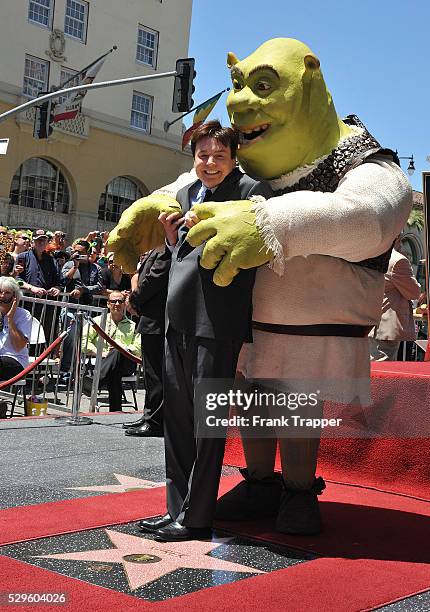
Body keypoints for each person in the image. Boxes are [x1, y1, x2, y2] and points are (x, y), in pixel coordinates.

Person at [108, 39, 413, 537]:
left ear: (309, 78)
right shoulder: (246, 158)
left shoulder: (360, 157)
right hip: (239, 313)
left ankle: (297, 489)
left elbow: (373, 215)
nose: (241, 100)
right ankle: (259, 482)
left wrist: (270, 224)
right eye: (238, 85)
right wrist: (146, 208)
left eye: (263, 85)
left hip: (311, 322)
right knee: (251, 398)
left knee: (295, 400)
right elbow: (194, 184)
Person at [138, 121, 273, 542]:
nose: (209, 163)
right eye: (202, 155)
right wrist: (171, 236)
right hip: (175, 317)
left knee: (206, 425)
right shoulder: (183, 195)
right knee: (176, 421)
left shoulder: (253, 193)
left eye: (218, 156)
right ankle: (175, 509)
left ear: (233, 157)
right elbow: (180, 255)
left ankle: (197, 518)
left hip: (218, 323)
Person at [124, 248, 170, 437]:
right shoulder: (156, 249)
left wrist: (134, 299)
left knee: (156, 375)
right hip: (150, 319)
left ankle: (156, 421)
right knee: (150, 375)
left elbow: (154, 279)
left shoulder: (165, 249)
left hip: (157, 320)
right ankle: (149, 416)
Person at [83, 290, 141, 412]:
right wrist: (99, 352)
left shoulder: (132, 325)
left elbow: (139, 347)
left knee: (118, 350)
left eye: (120, 301)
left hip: (127, 362)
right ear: (108, 304)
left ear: (125, 304)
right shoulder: (98, 321)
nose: (117, 304)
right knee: (114, 372)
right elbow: (83, 341)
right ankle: (115, 411)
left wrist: (123, 349)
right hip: (103, 361)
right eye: (113, 301)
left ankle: (95, 381)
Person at [369, 238, 421, 361]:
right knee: (384, 368)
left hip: (370, 322)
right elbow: (413, 292)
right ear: (397, 239)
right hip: (386, 327)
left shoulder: (370, 256)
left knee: (372, 367)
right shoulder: (398, 260)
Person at [59, 240, 103, 377]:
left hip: (88, 309)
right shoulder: (69, 264)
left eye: (81, 252)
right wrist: (75, 267)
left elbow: (99, 287)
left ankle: (81, 373)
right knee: (70, 339)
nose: (77, 254)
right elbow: (63, 280)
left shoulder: (96, 268)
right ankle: (65, 372)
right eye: (75, 251)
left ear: (88, 253)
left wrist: (84, 290)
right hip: (70, 308)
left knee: (85, 341)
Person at [17, 229, 62, 348]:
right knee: (26, 332)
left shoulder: (52, 260)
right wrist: (31, 288)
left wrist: (57, 288)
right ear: (33, 242)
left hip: (47, 305)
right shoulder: (23, 257)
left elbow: (59, 282)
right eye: (38, 240)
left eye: (44, 240)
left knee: (45, 334)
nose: (41, 243)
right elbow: (17, 281)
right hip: (27, 303)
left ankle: (42, 362)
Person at [0, 277, 32, 418]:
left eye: (6, 293)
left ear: (14, 296)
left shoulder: (23, 315)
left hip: (15, 360)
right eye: (0, 292)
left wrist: (10, 319)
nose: (2, 296)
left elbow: (19, 346)